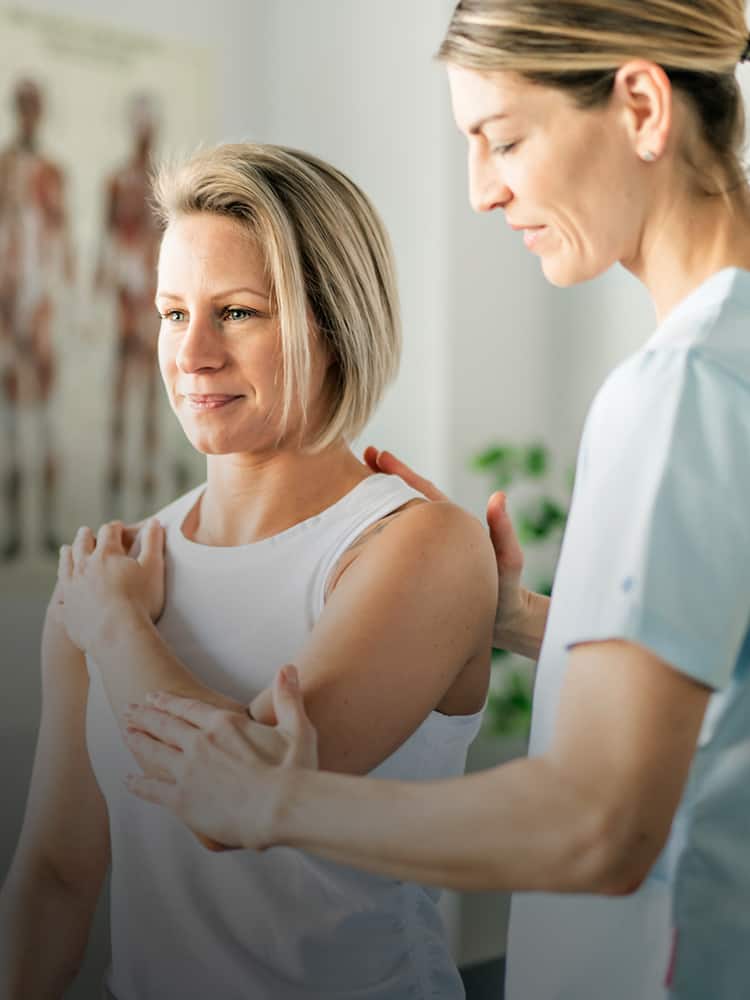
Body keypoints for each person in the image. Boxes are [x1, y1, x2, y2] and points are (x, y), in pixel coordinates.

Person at [119, 3, 750, 999]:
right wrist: (530, 619)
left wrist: (271, 798)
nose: (482, 190)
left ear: (639, 104)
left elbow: (597, 826)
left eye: (503, 139)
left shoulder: (684, 390)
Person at [0, 143, 498, 999]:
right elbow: (56, 873)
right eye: (170, 313)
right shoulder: (110, 574)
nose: (191, 356)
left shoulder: (418, 546)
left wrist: (117, 631)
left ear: (333, 327)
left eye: (235, 313)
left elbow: (254, 786)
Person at [0, 78, 75, 560]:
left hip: (41, 301)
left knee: (46, 418)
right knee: (9, 421)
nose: (30, 114)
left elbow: (61, 239)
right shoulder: (3, 166)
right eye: (24, 106)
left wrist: (60, 304)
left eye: (36, 106)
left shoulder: (52, 171)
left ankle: (47, 528)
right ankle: (12, 531)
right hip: (6, 301)